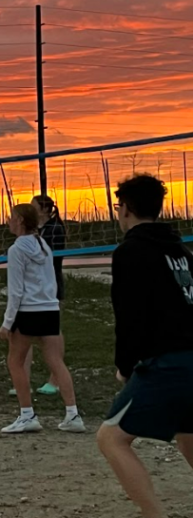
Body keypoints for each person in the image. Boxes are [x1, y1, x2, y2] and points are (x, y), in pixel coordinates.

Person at [98, 174, 193, 518]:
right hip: (187, 357)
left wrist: (125, 367)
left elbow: (129, 317)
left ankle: (154, 514)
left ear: (126, 209)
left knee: (111, 438)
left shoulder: (131, 251)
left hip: (168, 361)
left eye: (118, 206)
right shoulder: (180, 249)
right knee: (188, 436)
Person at [0, 203, 84, 435]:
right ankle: (73, 414)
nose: (8, 220)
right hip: (49, 308)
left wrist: (7, 323)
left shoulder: (17, 249)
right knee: (56, 362)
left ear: (20, 221)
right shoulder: (43, 244)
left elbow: (15, 291)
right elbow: (51, 280)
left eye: (12, 217)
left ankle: (27, 415)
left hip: (29, 310)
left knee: (15, 362)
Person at [9, 195, 67, 398]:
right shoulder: (33, 237)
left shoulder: (52, 231)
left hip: (49, 288)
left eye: (34, 207)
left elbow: (49, 261)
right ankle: (22, 380)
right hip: (33, 293)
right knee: (22, 339)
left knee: (51, 337)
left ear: (43, 209)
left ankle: (55, 380)